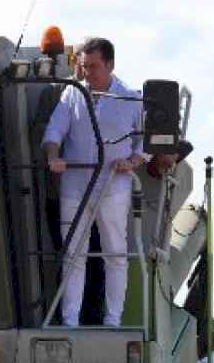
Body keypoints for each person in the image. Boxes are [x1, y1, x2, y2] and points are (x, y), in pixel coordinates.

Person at [43, 37, 146, 327]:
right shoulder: (72, 94)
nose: (87, 72)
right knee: (73, 254)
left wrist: (132, 162)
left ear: (110, 65)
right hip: (75, 184)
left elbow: (146, 142)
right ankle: (70, 322)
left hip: (114, 185)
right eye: (84, 66)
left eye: (94, 66)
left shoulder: (130, 97)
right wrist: (53, 156)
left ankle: (113, 321)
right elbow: (55, 130)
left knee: (115, 253)